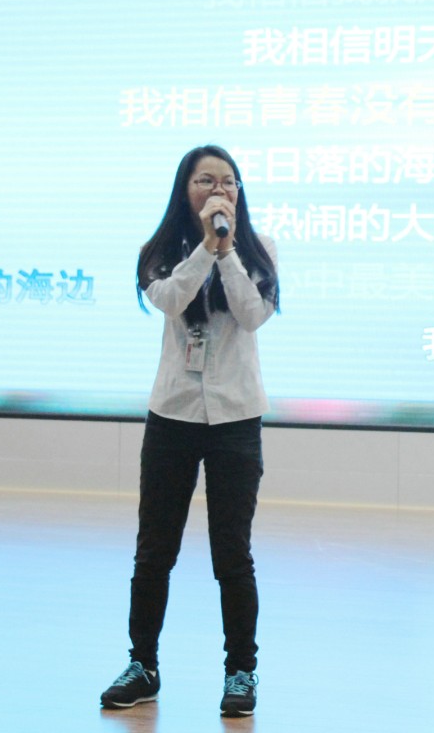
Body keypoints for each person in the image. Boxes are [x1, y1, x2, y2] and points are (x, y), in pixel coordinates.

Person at [101, 144, 279, 717]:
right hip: (173, 416)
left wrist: (226, 251)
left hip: (236, 419)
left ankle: (241, 671)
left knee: (233, 555)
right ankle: (143, 665)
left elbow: (251, 315)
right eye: (206, 180)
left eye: (228, 181)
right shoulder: (157, 252)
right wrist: (206, 246)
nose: (218, 189)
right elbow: (172, 300)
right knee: (154, 551)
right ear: (186, 190)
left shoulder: (259, 250)